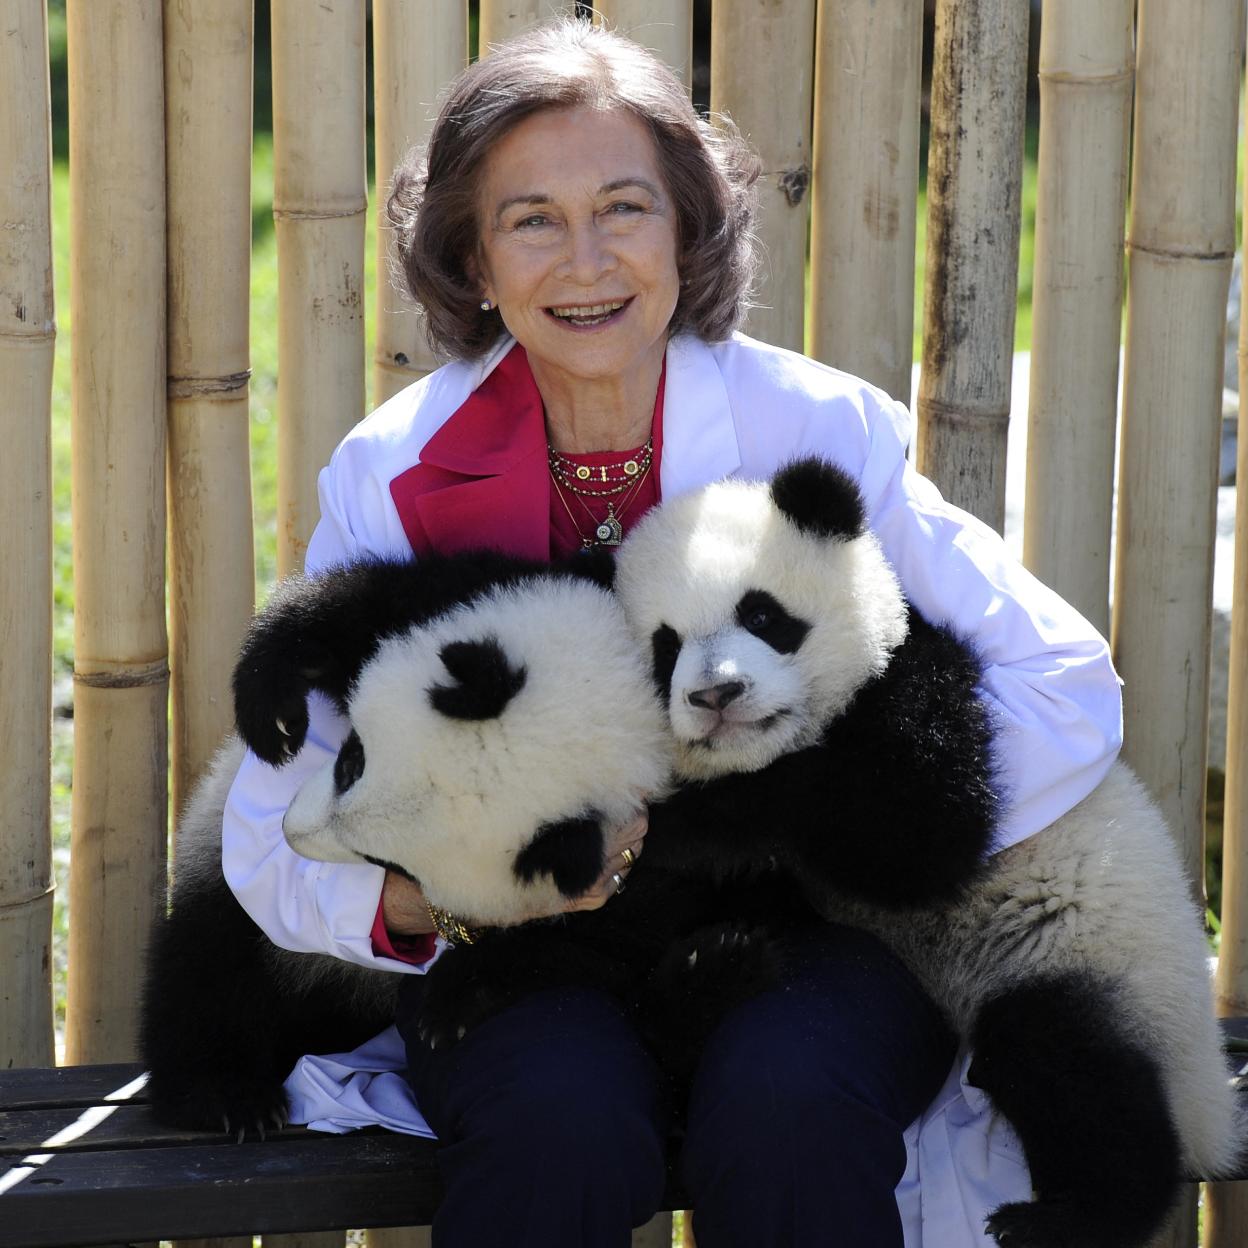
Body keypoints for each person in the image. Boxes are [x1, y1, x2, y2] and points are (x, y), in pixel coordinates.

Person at [222, 19, 1122, 1248]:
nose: (585, 259)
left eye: (625, 207)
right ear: (473, 260)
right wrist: (452, 898)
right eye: (531, 218)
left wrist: (823, 820)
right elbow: (274, 831)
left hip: (799, 936)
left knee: (792, 1106)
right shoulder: (395, 475)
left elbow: (1065, 683)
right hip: (533, 948)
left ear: (689, 229)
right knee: (558, 1126)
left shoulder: (813, 428)